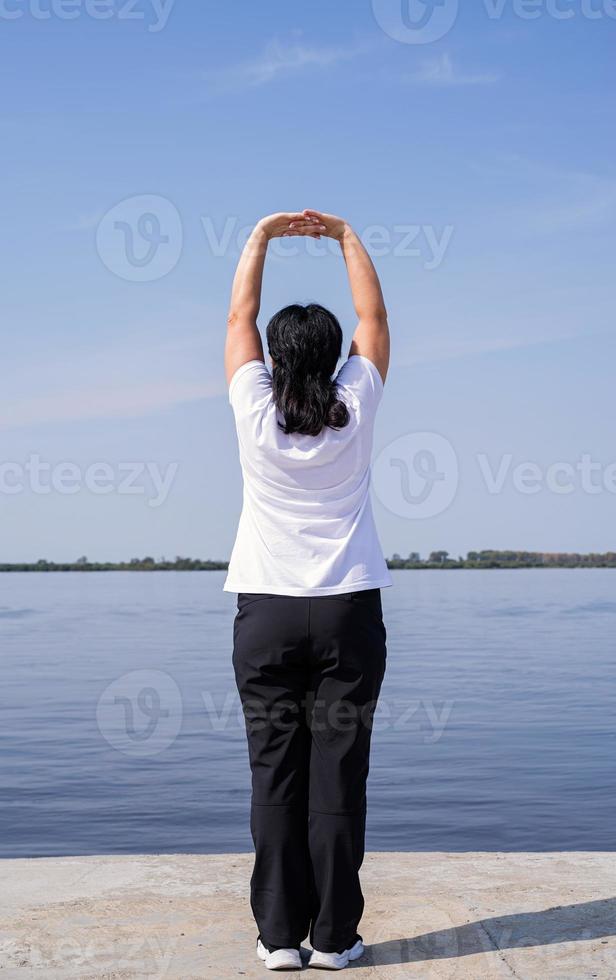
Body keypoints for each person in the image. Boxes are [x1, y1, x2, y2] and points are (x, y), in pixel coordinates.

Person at [224, 209, 392, 971]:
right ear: (332, 357)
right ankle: (334, 940)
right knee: (339, 770)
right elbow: (374, 316)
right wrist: (344, 235)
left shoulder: (255, 412)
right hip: (347, 608)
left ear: (273, 360)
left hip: (265, 609)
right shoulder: (353, 407)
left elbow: (238, 316)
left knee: (275, 770)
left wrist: (260, 238)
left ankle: (278, 939)